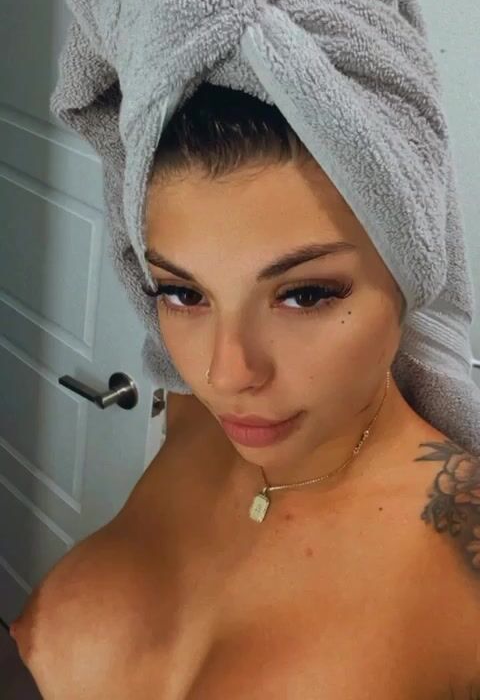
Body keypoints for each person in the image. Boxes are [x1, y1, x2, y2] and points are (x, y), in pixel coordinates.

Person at [10, 82, 480, 698]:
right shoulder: (192, 419)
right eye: (184, 293)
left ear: (408, 278)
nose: (225, 375)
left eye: (304, 295)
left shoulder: (464, 559)